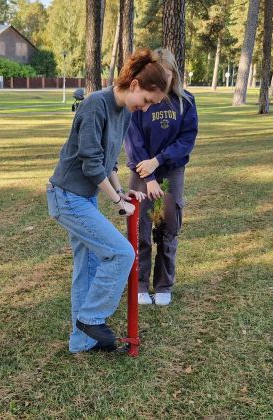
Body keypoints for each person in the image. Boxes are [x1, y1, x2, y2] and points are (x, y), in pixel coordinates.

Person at [46, 48, 169, 353]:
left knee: (87, 266)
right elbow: (90, 162)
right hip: (66, 197)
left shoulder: (124, 112)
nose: (144, 108)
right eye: (147, 101)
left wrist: (120, 191)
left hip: (85, 197)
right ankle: (91, 318)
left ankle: (81, 341)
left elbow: (108, 160)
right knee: (121, 254)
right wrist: (117, 201)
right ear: (136, 85)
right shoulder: (94, 106)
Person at [124, 48, 199, 307]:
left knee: (168, 228)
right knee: (140, 229)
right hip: (142, 173)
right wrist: (150, 173)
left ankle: (164, 284)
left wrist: (160, 160)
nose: (163, 82)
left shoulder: (186, 101)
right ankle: (140, 283)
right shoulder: (140, 100)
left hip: (171, 171)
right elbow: (133, 141)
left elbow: (187, 139)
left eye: (168, 75)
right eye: (159, 75)